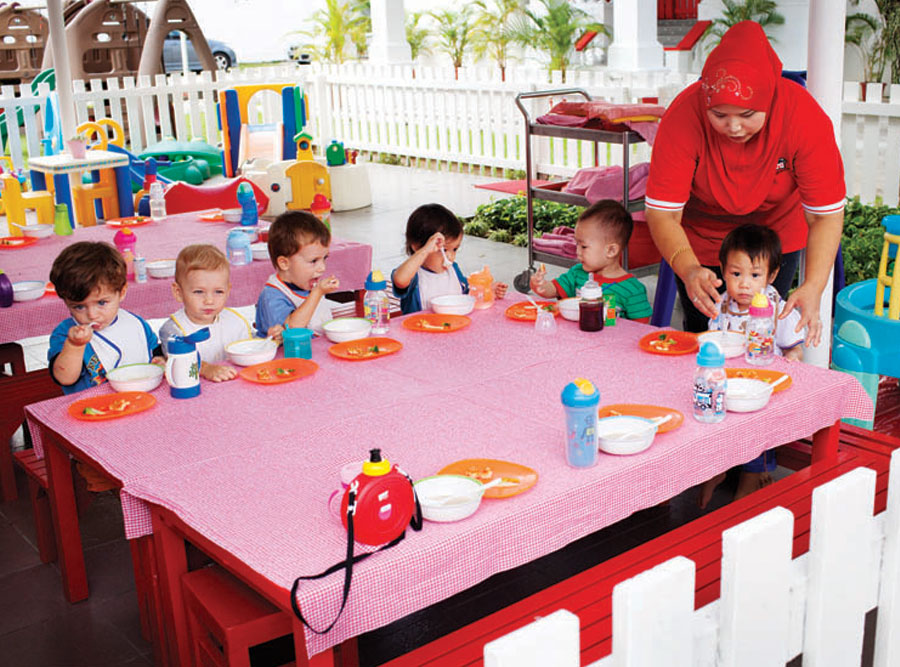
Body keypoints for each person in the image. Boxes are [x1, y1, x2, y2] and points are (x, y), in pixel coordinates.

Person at [644, 20, 845, 343]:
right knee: (704, 334)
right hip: (702, 237)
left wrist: (813, 286)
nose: (734, 127)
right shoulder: (683, 116)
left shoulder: (802, 116)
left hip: (773, 237)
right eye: (719, 115)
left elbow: (825, 216)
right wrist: (690, 268)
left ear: (769, 99)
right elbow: (663, 214)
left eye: (747, 115)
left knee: (763, 333)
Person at [698, 224, 803, 508]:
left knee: (758, 426)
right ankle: (715, 470)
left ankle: (752, 478)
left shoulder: (776, 308)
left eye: (755, 275)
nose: (744, 284)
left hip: (760, 387)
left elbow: (794, 347)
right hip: (727, 382)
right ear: (723, 270)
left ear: (772, 275)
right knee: (711, 418)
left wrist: (793, 358)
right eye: (736, 274)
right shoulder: (721, 304)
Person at [48, 241, 162, 394]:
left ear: (122, 292)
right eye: (79, 307)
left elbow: (155, 352)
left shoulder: (135, 323)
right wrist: (74, 346)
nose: (92, 315)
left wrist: (161, 361)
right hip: (94, 404)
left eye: (101, 303)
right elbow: (64, 377)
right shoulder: (66, 333)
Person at [530, 199, 652, 322]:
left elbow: (641, 328)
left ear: (611, 250)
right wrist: (541, 285)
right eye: (577, 244)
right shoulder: (577, 274)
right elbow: (553, 289)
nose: (577, 251)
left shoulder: (632, 290)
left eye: (584, 247)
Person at [158, 244, 260, 383]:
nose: (209, 301)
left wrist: (271, 337)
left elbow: (252, 344)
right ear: (178, 292)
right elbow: (179, 362)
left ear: (228, 291)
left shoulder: (235, 320)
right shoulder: (174, 330)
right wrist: (206, 369)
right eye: (199, 292)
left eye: (218, 291)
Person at [393, 203, 507, 314]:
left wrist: (487, 291)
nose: (450, 257)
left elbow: (467, 296)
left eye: (455, 249)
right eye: (443, 250)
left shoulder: (453, 270)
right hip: (421, 326)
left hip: (455, 324)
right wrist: (425, 250)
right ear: (417, 246)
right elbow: (400, 280)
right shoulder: (414, 275)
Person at [255, 211, 340, 336]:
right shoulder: (272, 296)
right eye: (313, 261)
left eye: (324, 258)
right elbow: (292, 329)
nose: (322, 268)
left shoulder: (305, 283)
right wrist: (317, 292)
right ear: (284, 263)